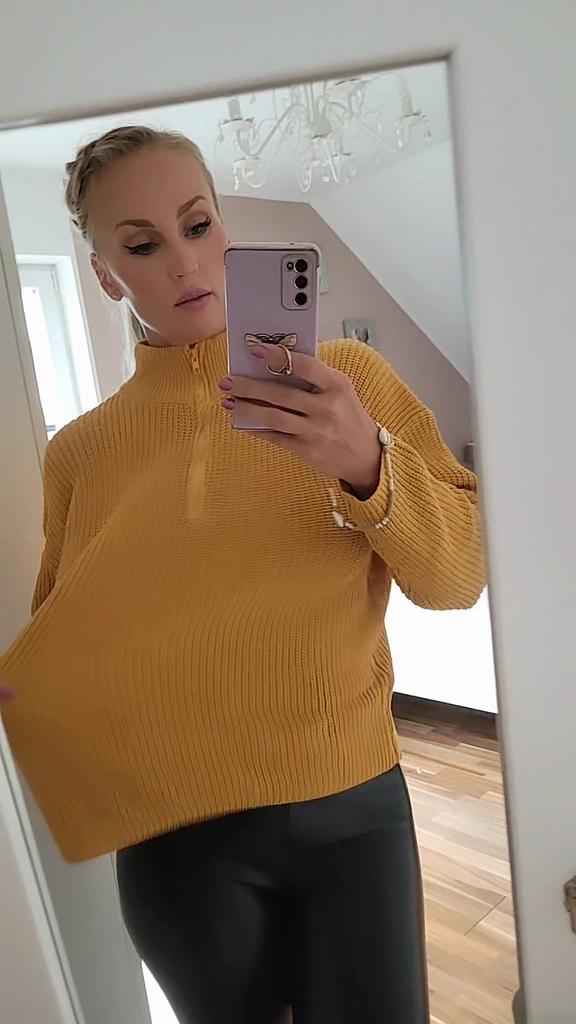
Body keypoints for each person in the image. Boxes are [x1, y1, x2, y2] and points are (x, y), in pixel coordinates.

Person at [0, 126, 485, 1024]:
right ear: (105, 274)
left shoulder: (349, 380)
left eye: (197, 225)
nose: (185, 263)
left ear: (225, 228)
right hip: (176, 841)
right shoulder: (82, 454)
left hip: (353, 809)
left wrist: (368, 465)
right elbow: (75, 644)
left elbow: (457, 578)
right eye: (142, 245)